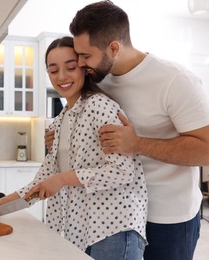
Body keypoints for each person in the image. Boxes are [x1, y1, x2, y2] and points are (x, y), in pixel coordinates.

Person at [45, 1, 209, 259]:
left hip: (167, 217)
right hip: (116, 216)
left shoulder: (175, 80)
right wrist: (60, 139)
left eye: (85, 56)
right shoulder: (100, 78)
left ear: (113, 47)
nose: (81, 63)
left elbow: (206, 150)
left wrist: (138, 144)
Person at [0, 36, 148, 259]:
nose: (61, 77)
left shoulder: (100, 107)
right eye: (53, 71)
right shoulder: (60, 121)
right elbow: (43, 181)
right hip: (81, 230)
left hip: (113, 231)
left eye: (70, 67)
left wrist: (63, 179)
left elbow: (122, 172)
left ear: (84, 69)